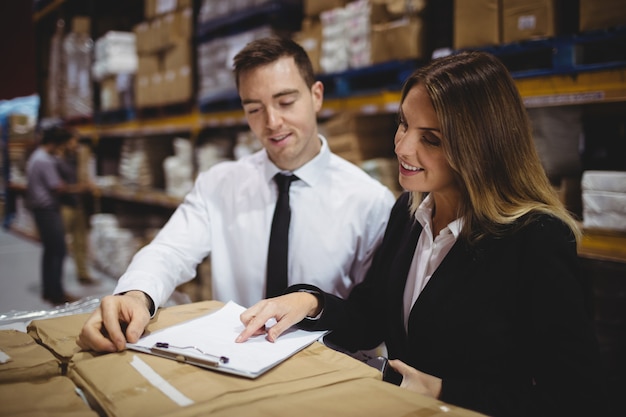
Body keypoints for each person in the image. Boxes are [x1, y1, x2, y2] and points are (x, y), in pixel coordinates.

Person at [236, 51, 608, 417]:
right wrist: (311, 303)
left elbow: (576, 398)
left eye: (430, 138)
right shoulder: (411, 212)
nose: (402, 146)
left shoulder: (536, 239)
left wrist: (442, 390)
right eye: (403, 124)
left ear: (480, 147)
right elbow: (372, 317)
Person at [77, 37, 395, 352]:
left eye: (286, 102)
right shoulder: (219, 184)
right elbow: (169, 251)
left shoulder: (369, 200)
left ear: (316, 96)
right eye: (255, 109)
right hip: (235, 360)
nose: (272, 123)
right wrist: (136, 295)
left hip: (327, 372)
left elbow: (369, 314)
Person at [25, 125, 92, 304]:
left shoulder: (36, 156)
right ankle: (56, 294)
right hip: (47, 210)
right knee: (58, 250)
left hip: (41, 209)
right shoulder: (45, 160)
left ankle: (50, 290)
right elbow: (58, 187)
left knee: (50, 251)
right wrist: (80, 188)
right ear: (55, 143)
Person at [56, 132, 95, 284]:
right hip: (65, 206)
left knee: (80, 241)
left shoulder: (76, 158)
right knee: (60, 243)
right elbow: (59, 187)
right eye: (73, 141)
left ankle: (83, 273)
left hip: (77, 204)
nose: (76, 144)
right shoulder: (58, 161)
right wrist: (80, 188)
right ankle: (56, 281)